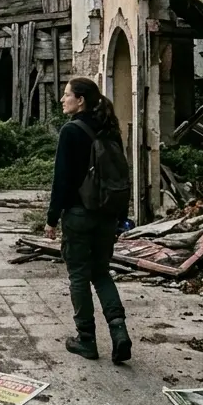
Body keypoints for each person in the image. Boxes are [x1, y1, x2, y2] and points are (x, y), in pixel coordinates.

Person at [44, 77, 132, 364]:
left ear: (80, 100)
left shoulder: (71, 131)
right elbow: (120, 175)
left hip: (79, 215)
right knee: (102, 273)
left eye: (67, 95)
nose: (62, 100)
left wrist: (52, 218)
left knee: (79, 277)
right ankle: (119, 332)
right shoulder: (109, 128)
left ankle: (86, 340)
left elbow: (63, 180)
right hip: (107, 214)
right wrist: (121, 217)